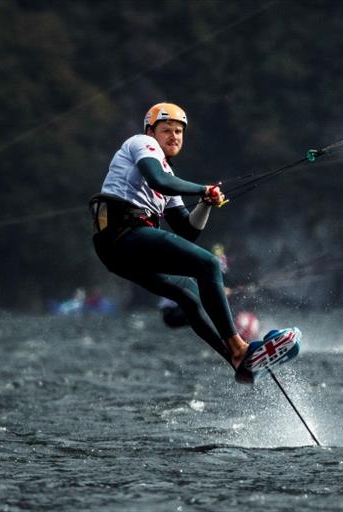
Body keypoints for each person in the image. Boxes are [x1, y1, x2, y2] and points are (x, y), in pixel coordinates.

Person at [89, 102, 295, 383]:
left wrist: (205, 203)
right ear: (151, 131)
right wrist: (203, 189)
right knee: (208, 263)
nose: (173, 136)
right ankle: (239, 349)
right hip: (123, 234)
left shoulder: (168, 176)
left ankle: (239, 363)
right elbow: (158, 180)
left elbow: (186, 230)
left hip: (120, 250)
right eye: (166, 130)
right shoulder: (141, 144)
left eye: (179, 132)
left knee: (188, 292)